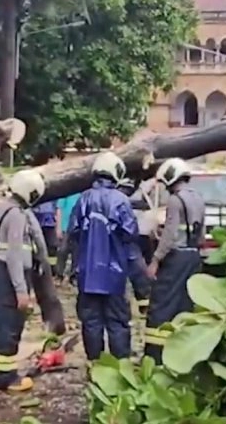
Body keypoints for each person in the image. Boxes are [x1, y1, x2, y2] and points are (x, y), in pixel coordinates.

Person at [69, 152, 139, 361]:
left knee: (91, 322)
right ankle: (120, 366)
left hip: (87, 273)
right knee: (117, 321)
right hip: (114, 273)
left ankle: (95, 365)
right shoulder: (121, 200)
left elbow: (73, 231)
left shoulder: (84, 199)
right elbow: (130, 232)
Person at [0, 169, 47, 392]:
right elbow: (14, 254)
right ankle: (6, 377)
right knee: (9, 326)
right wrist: (21, 290)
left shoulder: (0, 208)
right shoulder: (17, 215)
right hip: (10, 275)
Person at [144, 158, 205, 364]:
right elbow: (201, 236)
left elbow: (170, 235)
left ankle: (155, 356)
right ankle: (182, 356)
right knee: (184, 306)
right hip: (193, 257)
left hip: (176, 259)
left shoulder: (175, 200)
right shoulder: (198, 197)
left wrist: (155, 260)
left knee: (161, 306)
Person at [116, 179, 151, 303]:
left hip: (131, 241)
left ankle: (143, 302)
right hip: (119, 243)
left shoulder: (136, 195)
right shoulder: (115, 201)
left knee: (140, 273)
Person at [55, 190, 81, 282]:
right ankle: (59, 274)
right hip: (65, 227)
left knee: (76, 253)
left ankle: (73, 276)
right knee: (62, 251)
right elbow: (59, 209)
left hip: (77, 229)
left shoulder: (82, 194)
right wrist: (58, 227)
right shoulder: (65, 194)